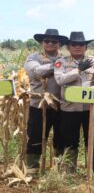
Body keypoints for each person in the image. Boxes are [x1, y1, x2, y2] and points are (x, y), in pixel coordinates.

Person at [24, 29, 68, 174]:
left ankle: (58, 164)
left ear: (59, 44)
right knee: (35, 135)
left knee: (61, 136)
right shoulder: (33, 58)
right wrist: (57, 65)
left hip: (60, 105)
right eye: (47, 41)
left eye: (54, 41)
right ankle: (33, 166)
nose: (50, 43)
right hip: (39, 104)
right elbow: (35, 72)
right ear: (42, 43)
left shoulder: (66, 59)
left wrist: (56, 66)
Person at [53, 31, 94, 174]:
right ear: (68, 47)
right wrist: (78, 70)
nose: (78, 47)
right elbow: (60, 80)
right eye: (74, 44)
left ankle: (93, 169)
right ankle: (70, 170)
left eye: (81, 44)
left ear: (86, 47)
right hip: (70, 108)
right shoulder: (61, 62)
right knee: (70, 139)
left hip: (90, 108)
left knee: (92, 138)